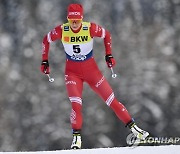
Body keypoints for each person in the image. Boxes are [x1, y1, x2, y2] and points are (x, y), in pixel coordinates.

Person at [40, 3, 149, 149]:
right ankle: (76, 139)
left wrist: (108, 54)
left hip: (92, 72)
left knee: (112, 101)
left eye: (77, 20)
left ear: (81, 18)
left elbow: (107, 35)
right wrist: (45, 60)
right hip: (72, 74)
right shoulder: (62, 30)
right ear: (67, 19)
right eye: (71, 20)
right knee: (76, 105)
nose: (74, 23)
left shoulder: (89, 28)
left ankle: (136, 130)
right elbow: (45, 40)